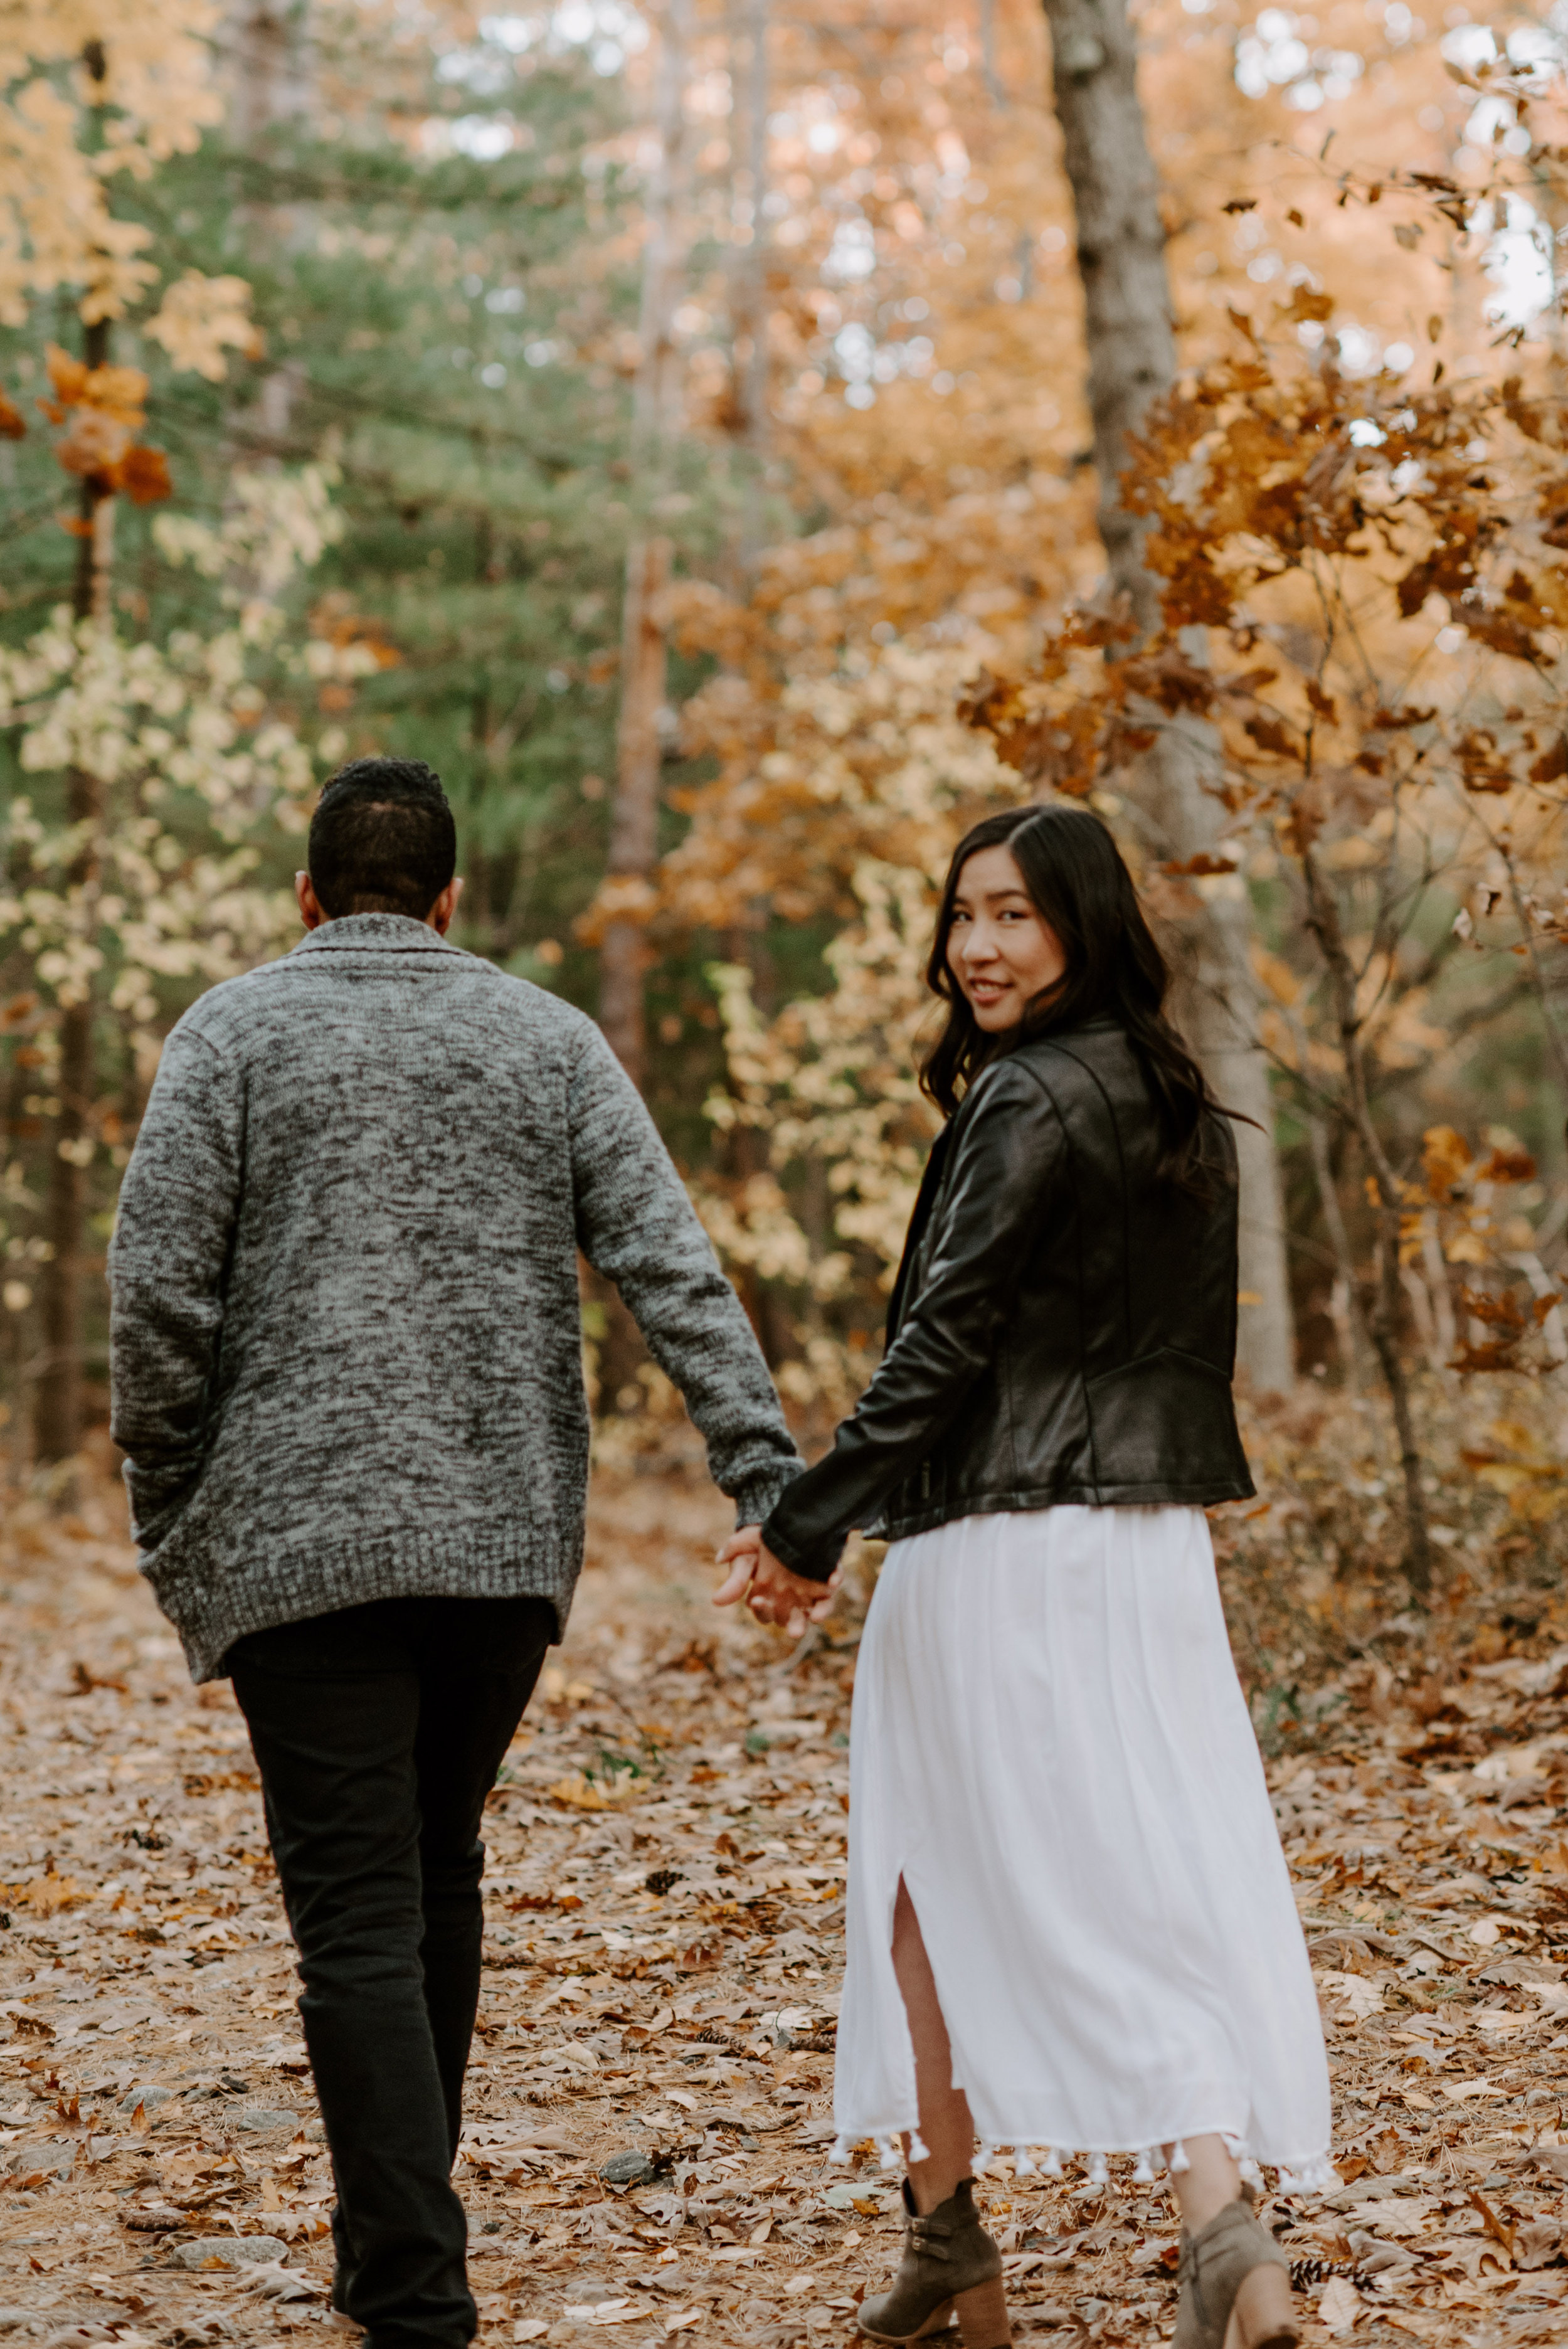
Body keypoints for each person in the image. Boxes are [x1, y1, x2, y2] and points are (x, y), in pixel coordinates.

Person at [108, 756, 802, 2349]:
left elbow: (155, 1299)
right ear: (447, 900)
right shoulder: (545, 1038)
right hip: (497, 1554)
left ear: (304, 896)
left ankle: (412, 2288)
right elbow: (668, 1264)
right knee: (434, 1873)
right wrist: (762, 1474)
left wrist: (169, 1499)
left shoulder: (229, 1031)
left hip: (292, 1550)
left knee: (360, 1910)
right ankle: (394, 2247)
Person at [716, 803, 1332, 2349]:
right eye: (960, 915)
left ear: (1080, 924)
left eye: (1011, 917)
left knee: (934, 1882)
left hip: (1000, 1541)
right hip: (1144, 1548)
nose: (975, 948)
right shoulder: (1171, 1093)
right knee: (1134, 1873)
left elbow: (942, 1346)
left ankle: (982, 2234)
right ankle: (1187, 2228)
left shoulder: (1027, 1098)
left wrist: (804, 1523)